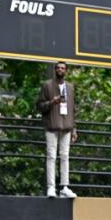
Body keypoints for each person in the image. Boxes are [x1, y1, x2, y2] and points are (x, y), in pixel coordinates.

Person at [37, 61, 78, 198]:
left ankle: (64, 187)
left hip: (66, 126)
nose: (60, 70)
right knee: (51, 156)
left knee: (65, 156)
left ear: (66, 71)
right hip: (52, 126)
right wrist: (52, 102)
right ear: (55, 70)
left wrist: (74, 129)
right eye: (58, 68)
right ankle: (51, 187)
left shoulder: (70, 88)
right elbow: (40, 106)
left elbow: (73, 109)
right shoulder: (47, 85)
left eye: (63, 68)